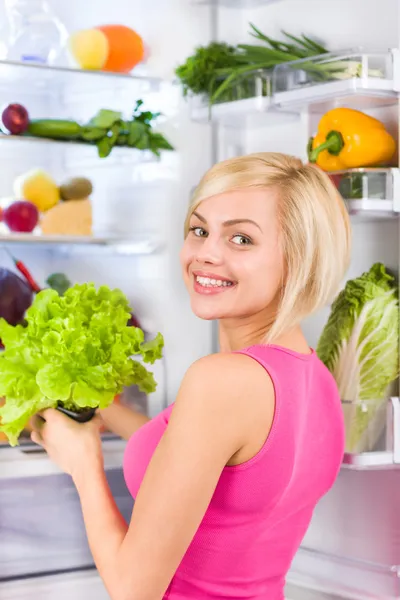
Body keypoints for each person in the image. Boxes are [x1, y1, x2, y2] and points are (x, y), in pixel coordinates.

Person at [31, 152, 351, 600]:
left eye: (241, 239)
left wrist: (83, 463)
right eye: (200, 230)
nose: (206, 255)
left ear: (298, 261)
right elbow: (202, 462)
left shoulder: (222, 380)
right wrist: (108, 407)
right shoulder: (314, 376)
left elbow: (132, 589)